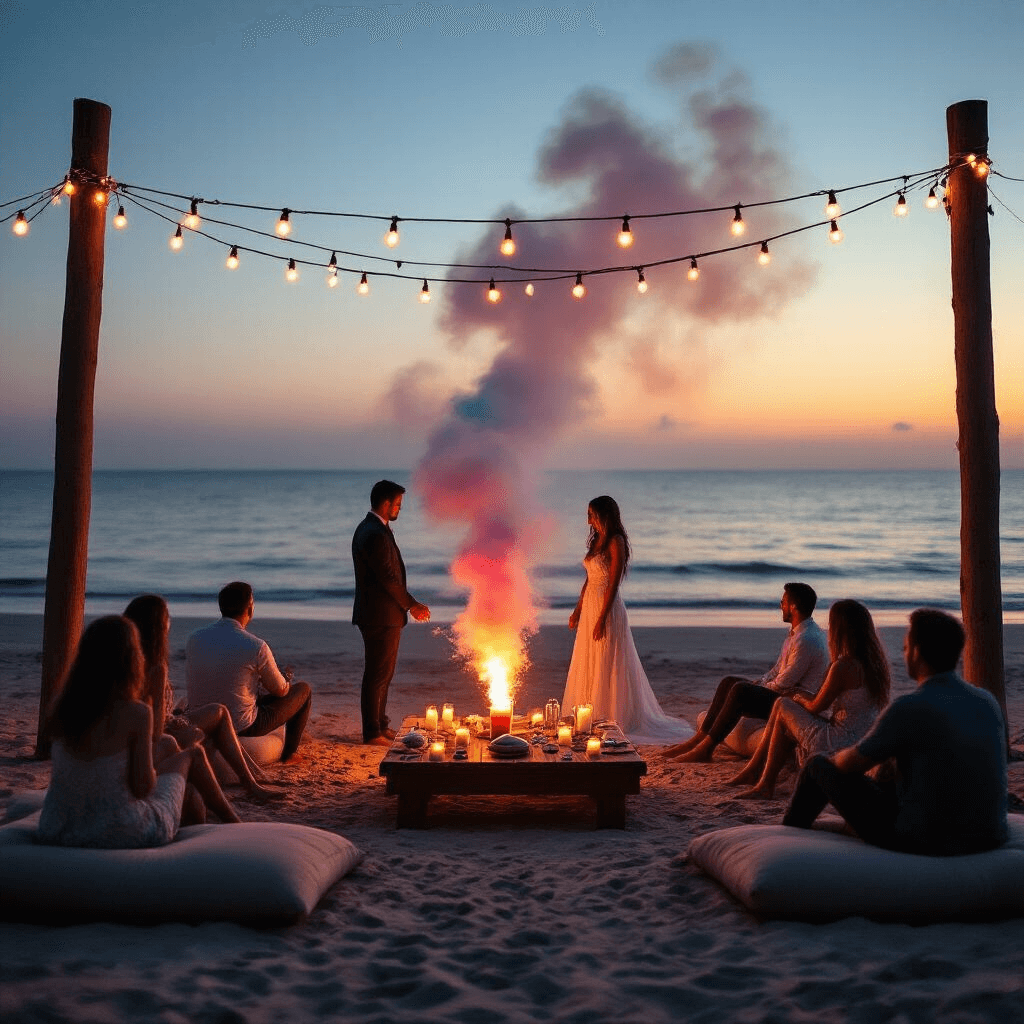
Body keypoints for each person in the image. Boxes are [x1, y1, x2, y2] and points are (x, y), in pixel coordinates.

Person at [783, 608, 1008, 856]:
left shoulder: (910, 707)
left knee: (817, 766)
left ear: (917, 652)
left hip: (923, 840)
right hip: (989, 835)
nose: (904, 653)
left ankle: (787, 837)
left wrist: (833, 759)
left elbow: (852, 764)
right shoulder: (987, 701)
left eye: (906, 646)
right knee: (890, 767)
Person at [38, 615, 241, 848]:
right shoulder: (135, 713)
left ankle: (222, 823)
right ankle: (233, 824)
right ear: (131, 660)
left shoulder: (62, 709)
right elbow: (144, 787)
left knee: (180, 761)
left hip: (55, 829)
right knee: (193, 754)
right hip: (119, 831)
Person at [124, 594, 284, 802]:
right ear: (158, 627)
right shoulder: (155, 667)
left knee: (218, 710)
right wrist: (175, 723)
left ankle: (250, 783)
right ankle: (250, 784)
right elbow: (152, 725)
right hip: (156, 732)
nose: (169, 624)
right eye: (167, 619)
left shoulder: (126, 657)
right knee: (214, 717)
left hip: (146, 726)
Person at [727, 599, 891, 799]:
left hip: (838, 742)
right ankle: (757, 774)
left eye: (832, 625)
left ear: (840, 629)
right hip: (861, 740)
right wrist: (803, 698)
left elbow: (816, 706)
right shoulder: (877, 666)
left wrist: (798, 696)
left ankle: (763, 781)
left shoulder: (844, 666)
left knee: (781, 704)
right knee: (786, 710)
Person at [561, 496, 692, 744]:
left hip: (607, 607)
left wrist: (603, 617)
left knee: (607, 658)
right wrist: (578, 610)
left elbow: (613, 582)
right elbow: (589, 579)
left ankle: (610, 716)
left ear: (604, 515)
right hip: (590, 604)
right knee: (590, 657)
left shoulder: (615, 540)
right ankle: (590, 714)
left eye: (591, 514)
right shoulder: (596, 541)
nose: (587, 519)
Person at [663, 582, 829, 762]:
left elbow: (785, 682)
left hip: (795, 704)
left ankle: (705, 749)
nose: (780, 606)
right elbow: (777, 670)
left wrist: (757, 688)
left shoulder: (806, 639)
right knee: (729, 682)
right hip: (785, 693)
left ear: (793, 606)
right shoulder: (798, 633)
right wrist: (759, 683)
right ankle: (698, 739)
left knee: (741, 690)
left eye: (783, 602)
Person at [185, 582, 312, 763]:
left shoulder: (194, 638)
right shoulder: (256, 645)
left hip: (203, 719)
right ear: (249, 608)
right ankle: (290, 754)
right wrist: (286, 681)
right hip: (241, 725)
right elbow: (280, 691)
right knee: (303, 690)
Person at [352, 479, 430, 746]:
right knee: (376, 674)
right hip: (379, 615)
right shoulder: (373, 533)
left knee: (382, 673)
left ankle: (380, 725)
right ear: (385, 504)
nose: (399, 509)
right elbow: (387, 579)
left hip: (381, 614)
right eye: (397, 504)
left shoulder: (374, 528)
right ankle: (372, 732)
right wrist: (413, 605)